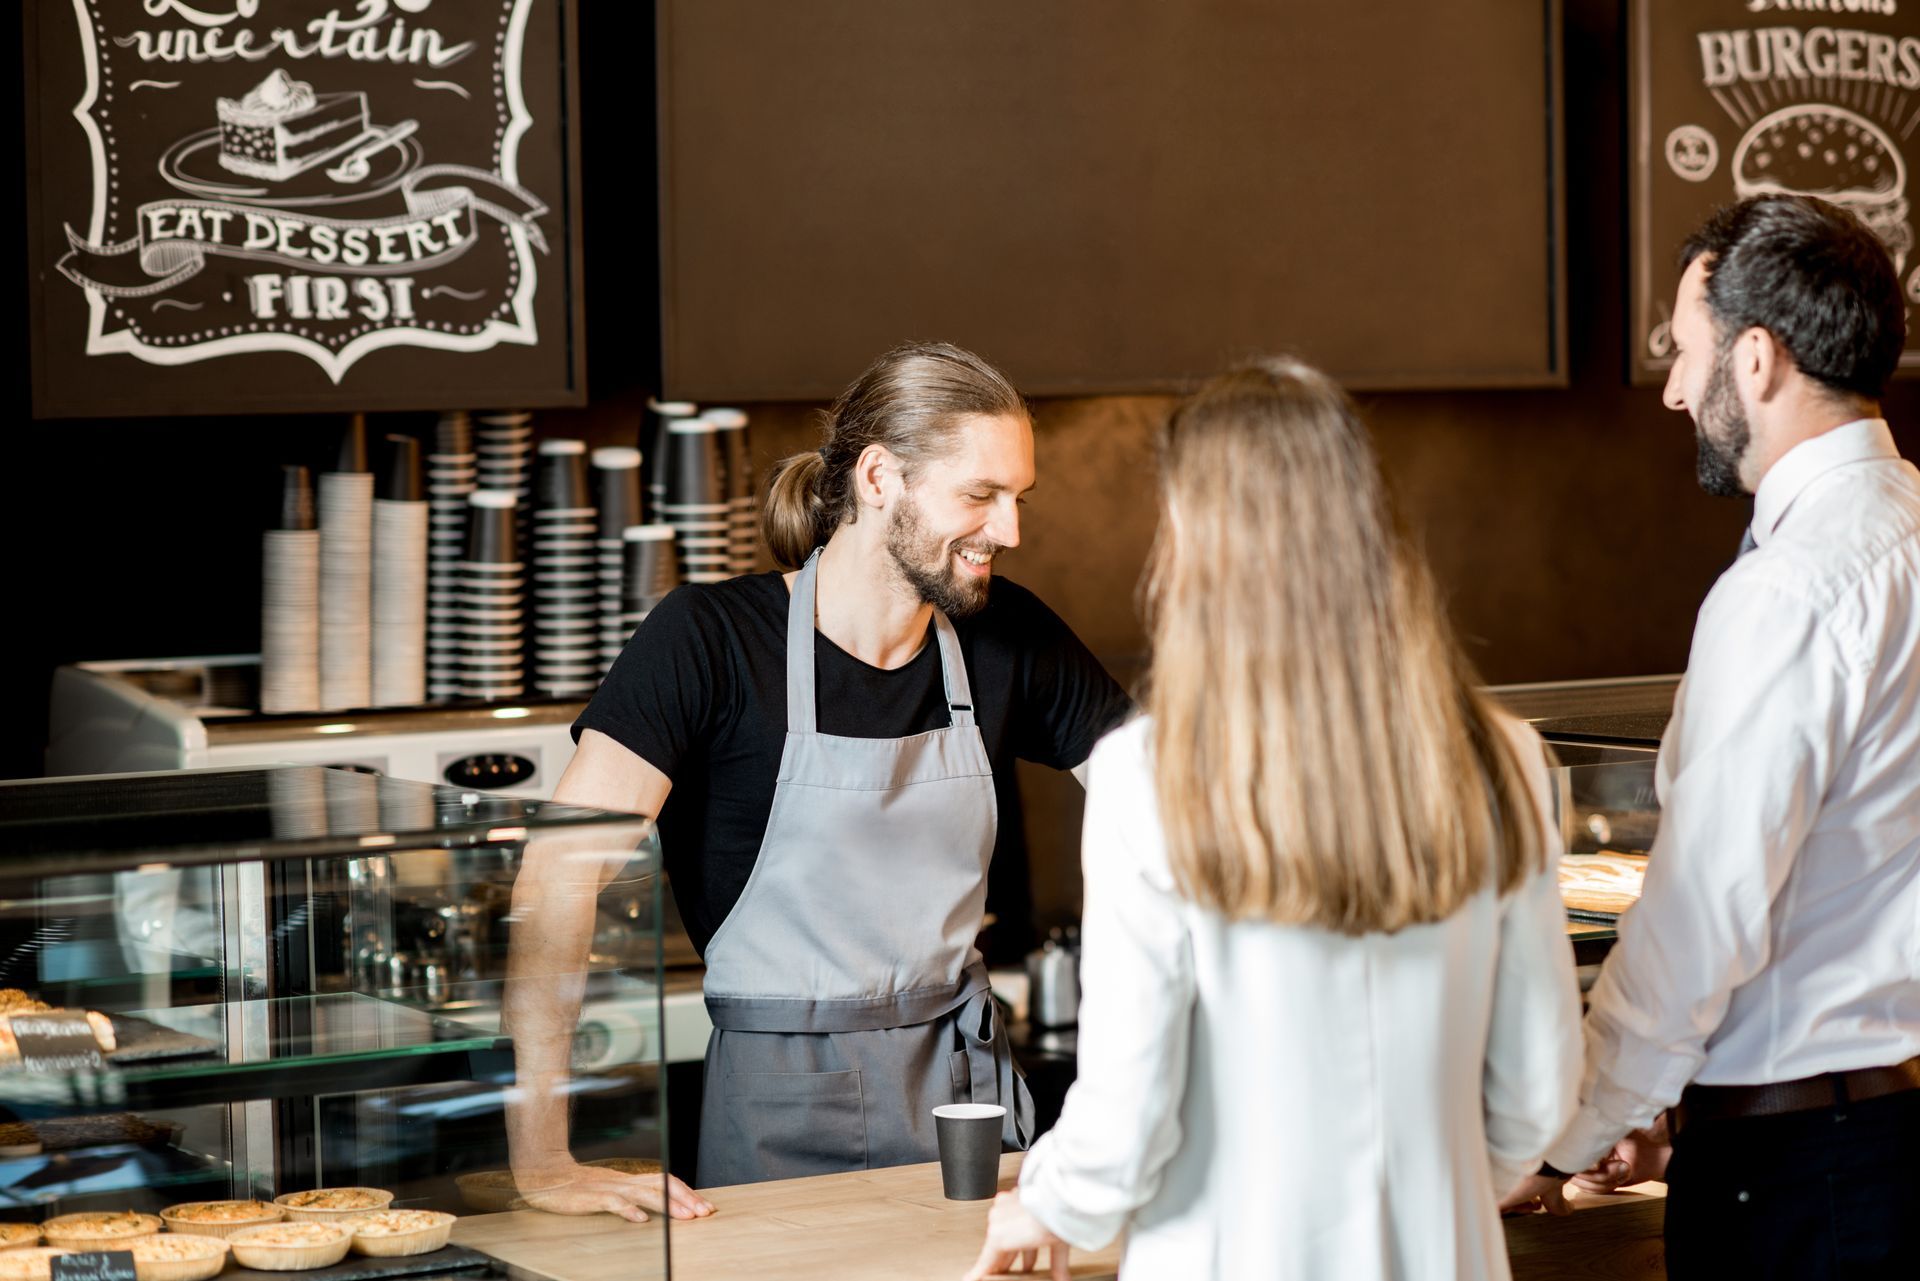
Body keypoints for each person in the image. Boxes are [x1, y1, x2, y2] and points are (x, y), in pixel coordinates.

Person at [965, 358, 1583, 1280]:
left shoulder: (1153, 774)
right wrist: (1435, 1186)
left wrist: (1044, 1204)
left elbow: (1126, 1121)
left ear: (1198, 547)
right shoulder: (1504, 760)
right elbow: (1539, 1090)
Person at [505, 340, 1132, 1206]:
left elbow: (1170, 815)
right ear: (879, 477)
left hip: (965, 1097)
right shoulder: (709, 641)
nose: (1010, 530)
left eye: (1018, 498)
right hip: (775, 1111)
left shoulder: (1006, 634)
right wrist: (541, 1159)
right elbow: (557, 879)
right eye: (981, 495)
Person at [1503, 195, 1920, 1276]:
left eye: (1686, 355)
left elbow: (1702, 916)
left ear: (1758, 359)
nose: (1677, 391)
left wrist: (1569, 1137)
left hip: (1802, 1176)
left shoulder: (1789, 590)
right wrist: (1668, 1102)